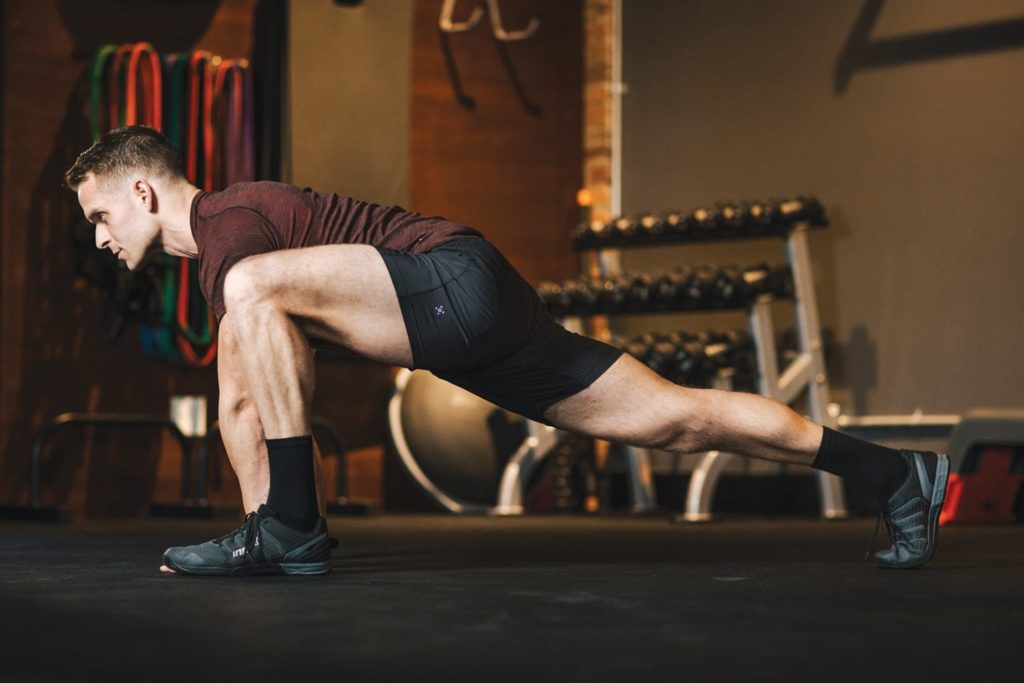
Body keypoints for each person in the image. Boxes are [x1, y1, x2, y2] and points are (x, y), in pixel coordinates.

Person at [64, 126, 949, 575]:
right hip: (477, 321)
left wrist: (276, 530)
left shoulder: (228, 228)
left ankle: (289, 526)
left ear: (142, 188)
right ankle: (896, 474)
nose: (100, 237)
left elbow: (246, 401)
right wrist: (259, 534)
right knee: (682, 418)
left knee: (252, 296)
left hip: (454, 278)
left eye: (101, 215)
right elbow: (241, 396)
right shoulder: (230, 251)